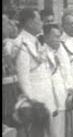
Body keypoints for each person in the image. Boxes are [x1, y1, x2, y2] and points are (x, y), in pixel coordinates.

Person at [14, 8, 56, 137]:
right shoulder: (22, 43)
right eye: (38, 20)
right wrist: (32, 102)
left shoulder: (35, 41)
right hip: (35, 102)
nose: (42, 23)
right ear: (29, 23)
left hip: (45, 98)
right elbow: (23, 77)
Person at [42, 24, 73, 137]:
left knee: (61, 130)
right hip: (49, 98)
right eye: (55, 36)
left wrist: (69, 90)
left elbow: (66, 70)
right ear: (46, 37)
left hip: (61, 96)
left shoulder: (59, 50)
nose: (58, 40)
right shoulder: (41, 52)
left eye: (59, 36)